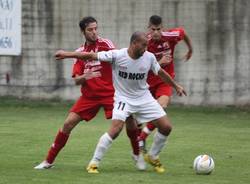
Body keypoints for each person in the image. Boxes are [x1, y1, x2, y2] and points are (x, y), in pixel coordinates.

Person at [54, 31, 187, 173]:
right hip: (123, 99)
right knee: (115, 130)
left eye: (147, 46)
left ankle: (153, 156)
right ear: (134, 43)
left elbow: (160, 72)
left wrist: (176, 86)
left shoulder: (149, 57)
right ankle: (94, 163)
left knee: (166, 127)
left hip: (144, 98)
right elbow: (90, 55)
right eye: (143, 45)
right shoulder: (117, 55)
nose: (146, 49)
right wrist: (66, 54)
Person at [34, 16, 142, 170]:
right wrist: (84, 77)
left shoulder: (106, 44)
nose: (94, 32)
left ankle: (137, 155)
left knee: (130, 120)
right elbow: (76, 80)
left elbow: (119, 60)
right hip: (89, 97)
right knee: (67, 124)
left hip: (111, 94)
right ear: (83, 32)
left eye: (96, 28)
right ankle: (48, 161)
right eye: (90, 30)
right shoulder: (79, 52)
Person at [138, 15, 193, 146]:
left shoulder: (171, 36)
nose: (156, 32)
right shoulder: (144, 42)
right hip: (147, 83)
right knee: (141, 117)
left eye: (158, 29)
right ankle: (140, 138)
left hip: (164, 81)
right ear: (148, 28)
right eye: (153, 29)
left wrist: (190, 49)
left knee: (160, 108)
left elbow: (183, 32)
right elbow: (140, 68)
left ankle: (142, 137)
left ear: (162, 27)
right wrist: (159, 63)